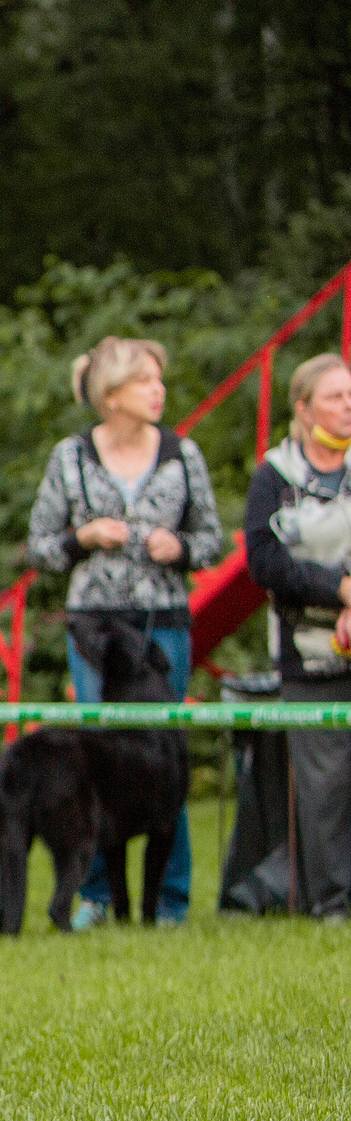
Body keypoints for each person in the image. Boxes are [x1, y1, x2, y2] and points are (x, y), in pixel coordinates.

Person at [25, 337, 224, 926]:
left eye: (159, 381)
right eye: (146, 382)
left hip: (163, 625)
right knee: (99, 758)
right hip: (93, 629)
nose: (159, 391)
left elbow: (213, 538)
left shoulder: (183, 454)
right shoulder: (70, 457)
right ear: (111, 397)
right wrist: (81, 539)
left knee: (168, 755)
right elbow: (38, 546)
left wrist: (182, 546)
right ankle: (98, 895)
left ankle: (171, 899)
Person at [243, 352, 351, 917]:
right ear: (303, 408)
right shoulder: (275, 477)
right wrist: (340, 592)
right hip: (307, 652)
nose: (349, 405)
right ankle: (332, 906)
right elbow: (266, 563)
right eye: (335, 396)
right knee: (323, 789)